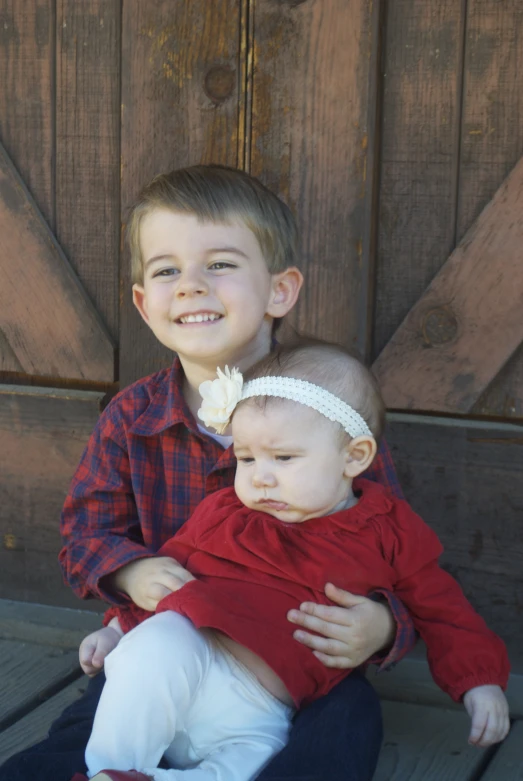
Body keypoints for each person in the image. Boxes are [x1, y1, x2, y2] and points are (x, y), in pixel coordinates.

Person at [0, 165, 415, 781]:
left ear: (279, 290)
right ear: (144, 304)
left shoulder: (333, 415)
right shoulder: (131, 418)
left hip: (289, 670)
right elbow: (84, 537)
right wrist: (130, 571)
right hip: (168, 646)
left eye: (219, 264)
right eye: (167, 270)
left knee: (347, 724)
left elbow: (399, 550)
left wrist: (381, 626)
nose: (190, 286)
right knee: (87, 726)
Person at [75, 341, 510, 781]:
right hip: (196, 656)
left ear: (353, 457)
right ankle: (113, 769)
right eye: (246, 458)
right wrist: (116, 627)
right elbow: (168, 574)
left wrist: (478, 681)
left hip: (264, 710)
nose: (260, 476)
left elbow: (443, 611)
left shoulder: (390, 530)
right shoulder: (226, 513)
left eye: (283, 458)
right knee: (150, 652)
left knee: (253, 760)